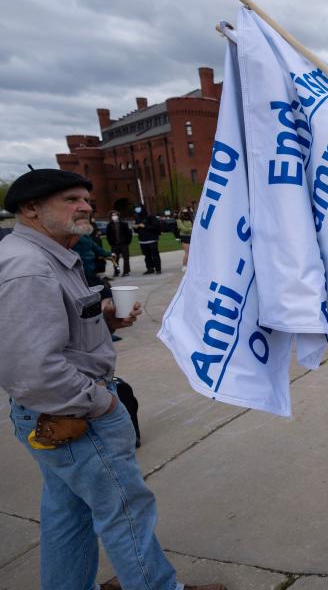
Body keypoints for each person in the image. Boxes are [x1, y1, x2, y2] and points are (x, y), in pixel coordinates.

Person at [0, 169, 225, 590]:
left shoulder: (48, 254)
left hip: (60, 415)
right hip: (73, 416)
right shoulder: (28, 268)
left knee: (67, 515)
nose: (86, 206)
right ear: (30, 208)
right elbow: (30, 370)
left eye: (86, 198)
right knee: (126, 512)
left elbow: (54, 334)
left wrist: (102, 318)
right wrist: (101, 403)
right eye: (70, 199)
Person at [105, 210, 132, 276]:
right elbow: (108, 235)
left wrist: (127, 242)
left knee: (126, 258)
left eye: (115, 215)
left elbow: (129, 234)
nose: (114, 216)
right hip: (114, 245)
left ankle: (126, 271)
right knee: (114, 259)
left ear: (118, 216)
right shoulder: (109, 225)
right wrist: (111, 243)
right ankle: (116, 271)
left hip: (124, 244)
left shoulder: (124, 224)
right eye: (113, 215)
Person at [135, 208, 162, 274]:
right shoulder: (137, 218)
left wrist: (145, 226)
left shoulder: (151, 217)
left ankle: (158, 269)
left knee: (155, 255)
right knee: (146, 256)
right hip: (142, 240)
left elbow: (156, 226)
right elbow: (137, 230)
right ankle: (150, 268)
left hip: (152, 239)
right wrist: (135, 228)